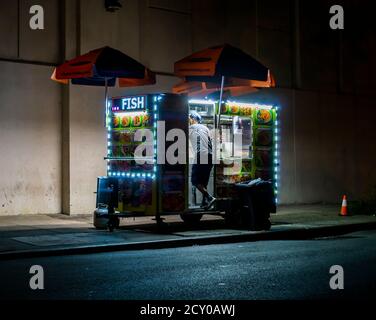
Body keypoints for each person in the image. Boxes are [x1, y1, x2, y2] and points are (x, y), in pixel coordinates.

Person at [189, 111, 216, 209]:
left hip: (201, 155)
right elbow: (210, 142)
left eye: (189, 118)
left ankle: (209, 197)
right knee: (203, 182)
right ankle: (204, 203)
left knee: (195, 181)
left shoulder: (190, 128)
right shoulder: (206, 128)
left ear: (192, 119)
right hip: (210, 156)